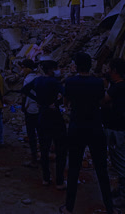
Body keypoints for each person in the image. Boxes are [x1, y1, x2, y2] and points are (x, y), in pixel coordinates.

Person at [60, 53, 119, 214]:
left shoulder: (70, 82)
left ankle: (69, 207)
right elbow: (101, 101)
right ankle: (110, 208)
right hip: (95, 128)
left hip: (76, 127)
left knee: (73, 168)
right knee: (101, 169)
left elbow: (66, 103)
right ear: (89, 65)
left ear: (76, 66)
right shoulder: (98, 82)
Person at [22, 58, 67, 189]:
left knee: (44, 147)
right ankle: (59, 180)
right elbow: (65, 94)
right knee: (60, 148)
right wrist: (56, 103)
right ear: (51, 70)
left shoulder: (37, 80)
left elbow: (24, 90)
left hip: (42, 115)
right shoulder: (54, 82)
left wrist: (39, 101)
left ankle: (46, 178)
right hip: (54, 116)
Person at [103, 58, 125, 208]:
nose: (108, 71)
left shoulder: (117, 87)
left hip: (117, 129)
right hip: (119, 127)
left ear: (115, 70)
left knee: (120, 162)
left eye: (109, 68)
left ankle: (123, 196)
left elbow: (103, 101)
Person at [21, 59, 39, 168]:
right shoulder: (37, 78)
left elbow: (24, 95)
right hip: (38, 108)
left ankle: (34, 158)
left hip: (30, 108)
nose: (22, 70)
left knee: (31, 133)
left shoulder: (27, 80)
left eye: (23, 67)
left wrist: (23, 106)